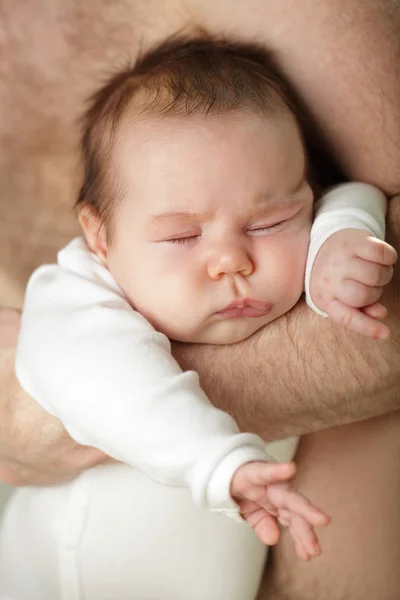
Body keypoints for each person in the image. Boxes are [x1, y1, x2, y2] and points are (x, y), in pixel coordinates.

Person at [0, 2, 399, 599]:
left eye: (269, 223)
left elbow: (352, 191)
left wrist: (339, 240)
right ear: (101, 238)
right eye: (183, 237)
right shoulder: (76, 295)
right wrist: (218, 464)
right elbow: (106, 381)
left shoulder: (288, 240)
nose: (230, 259)